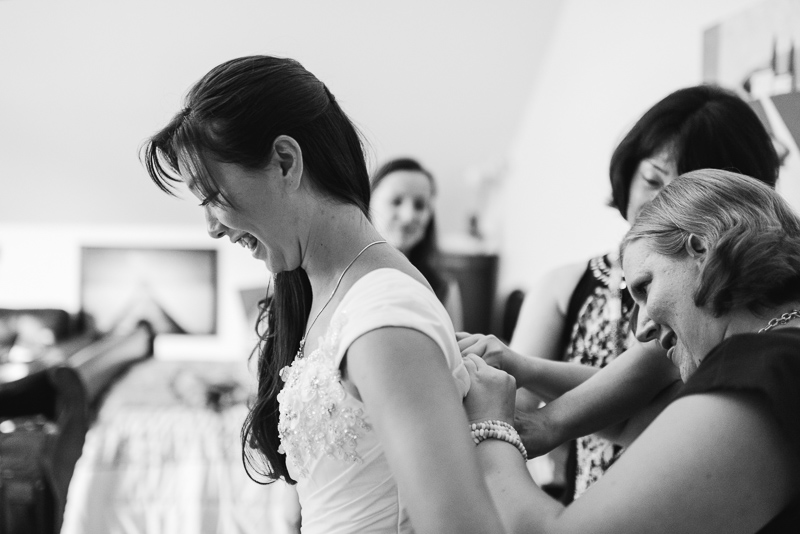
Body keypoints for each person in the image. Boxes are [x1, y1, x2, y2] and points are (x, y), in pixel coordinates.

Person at [141, 55, 507, 534]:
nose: (211, 227)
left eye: (210, 195)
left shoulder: (384, 320)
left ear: (285, 162)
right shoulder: (316, 288)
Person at [459, 84, 781, 501]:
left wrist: (542, 423)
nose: (661, 204)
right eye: (653, 179)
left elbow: (629, 409)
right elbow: (596, 413)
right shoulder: (567, 285)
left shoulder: (713, 316)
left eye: (689, 189)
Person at [464, 168, 800, 533]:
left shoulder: (760, 371)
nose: (641, 330)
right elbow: (629, 420)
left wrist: (489, 429)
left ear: (701, 249)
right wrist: (523, 370)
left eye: (643, 287)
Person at [370, 157, 464, 330]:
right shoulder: (345, 277)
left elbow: (456, 351)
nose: (408, 216)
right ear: (368, 202)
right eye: (396, 201)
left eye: (420, 205)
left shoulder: (444, 287)